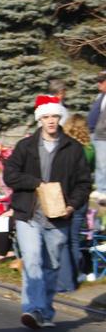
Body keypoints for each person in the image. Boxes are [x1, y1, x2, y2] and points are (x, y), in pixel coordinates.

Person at [3, 95, 92, 329]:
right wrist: (36, 183)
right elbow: (10, 175)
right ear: (39, 119)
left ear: (60, 117)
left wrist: (72, 205)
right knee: (31, 259)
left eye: (55, 116)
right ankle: (32, 309)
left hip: (59, 218)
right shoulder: (26, 146)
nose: (51, 121)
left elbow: (84, 183)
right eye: (46, 117)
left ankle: (45, 311)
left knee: (51, 265)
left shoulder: (73, 148)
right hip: (29, 214)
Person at [57, 113, 95, 292]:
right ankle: (76, 273)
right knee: (74, 239)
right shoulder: (89, 148)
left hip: (68, 197)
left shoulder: (68, 148)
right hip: (83, 198)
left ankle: (66, 276)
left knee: (64, 239)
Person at [84, 71, 106, 197]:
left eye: (101, 81)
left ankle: (104, 189)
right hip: (94, 133)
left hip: (103, 135)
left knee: (103, 162)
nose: (99, 84)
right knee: (98, 162)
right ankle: (99, 186)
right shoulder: (101, 96)